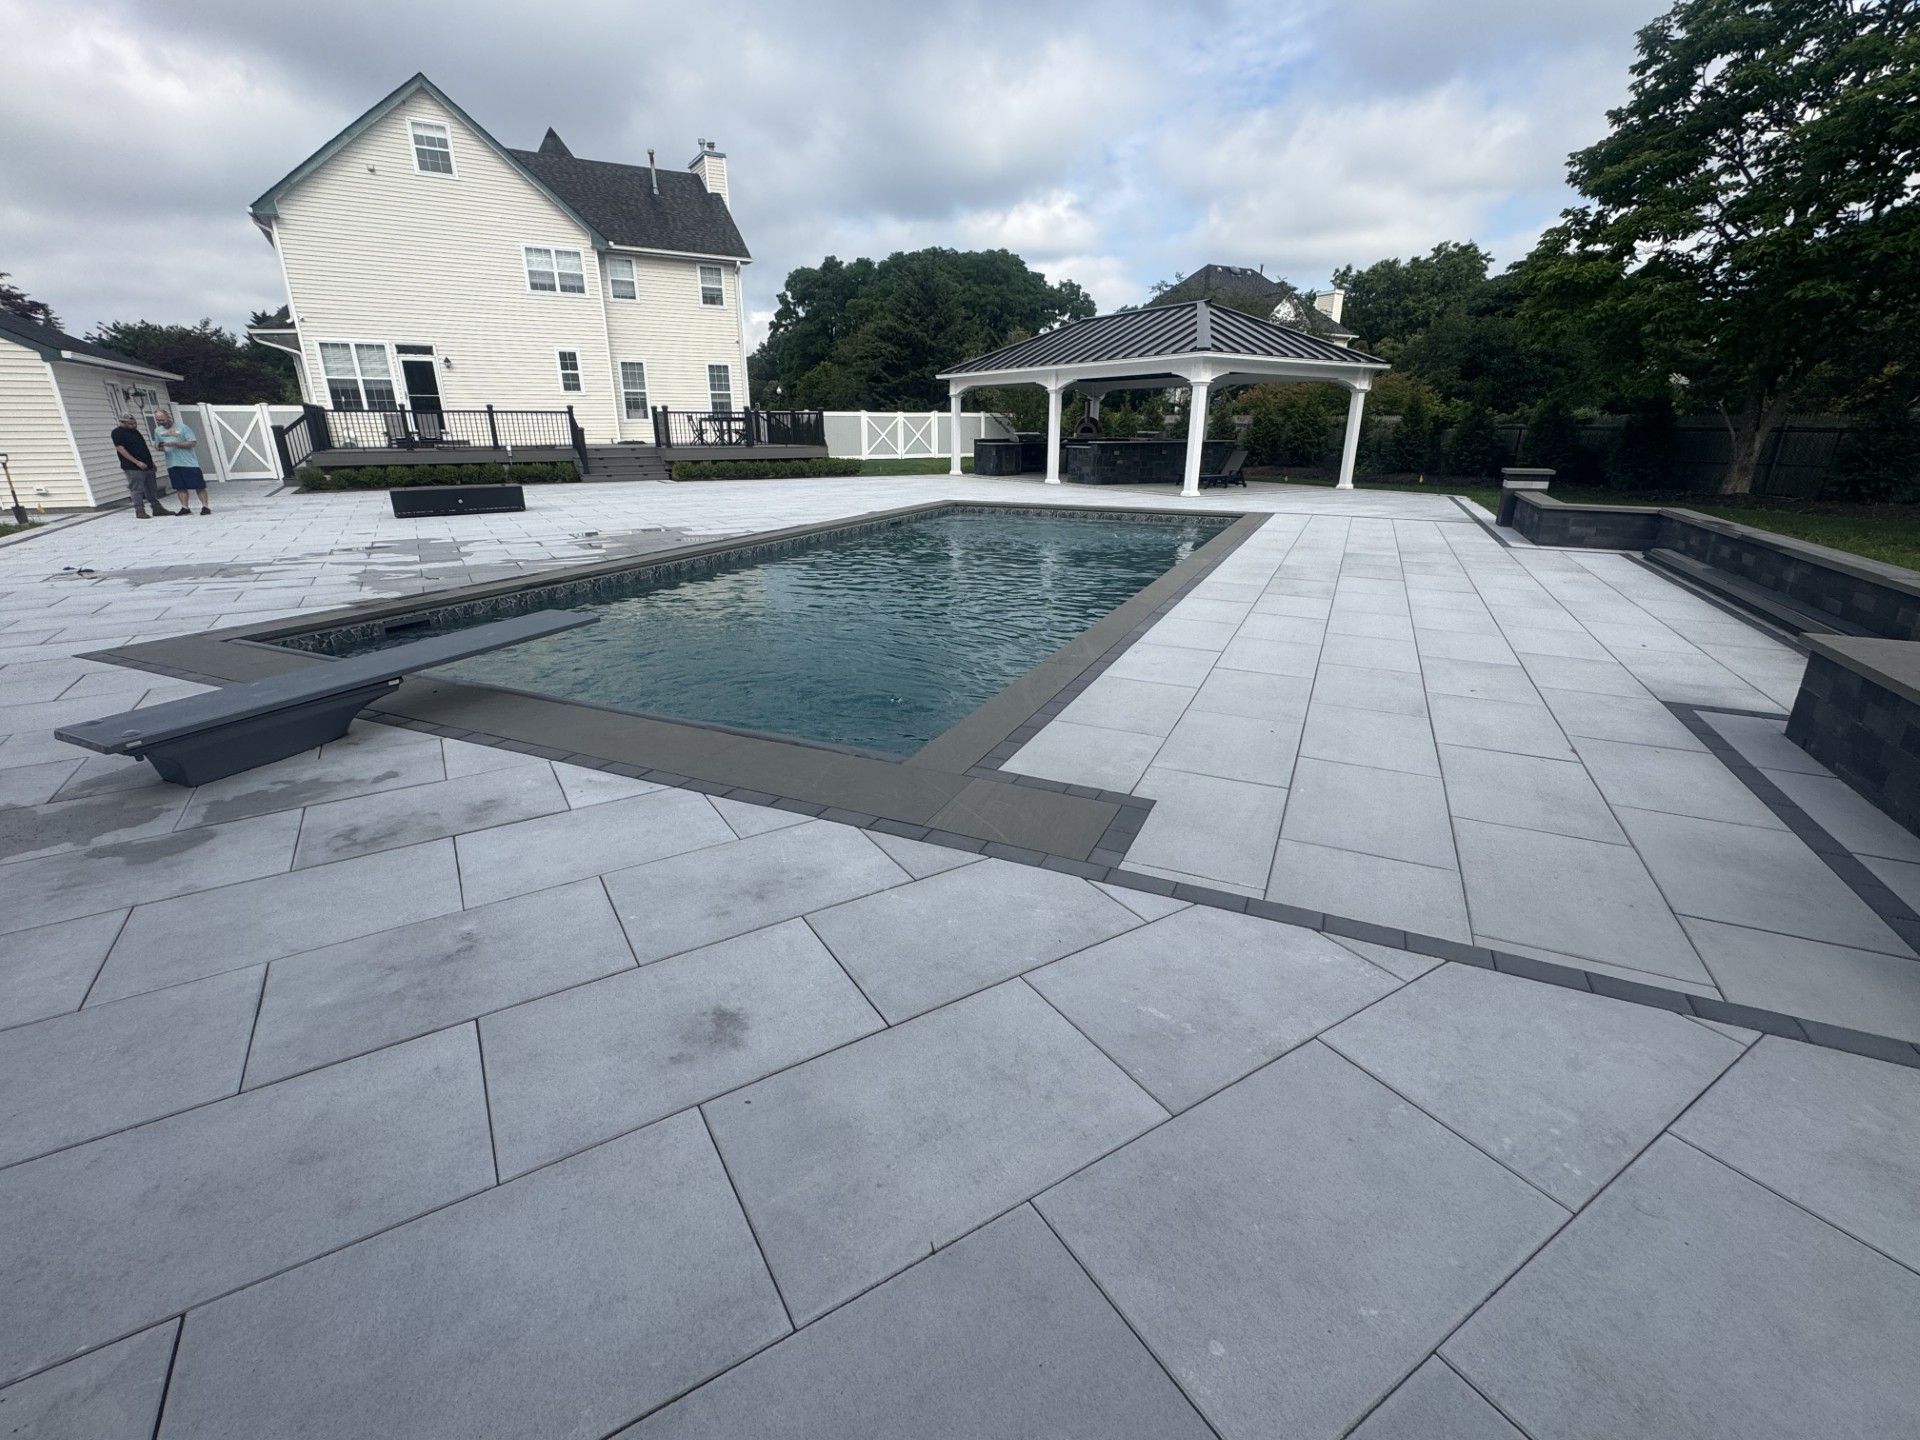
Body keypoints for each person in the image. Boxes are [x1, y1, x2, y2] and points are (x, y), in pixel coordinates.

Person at [111, 415, 178, 518]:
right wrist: (137, 462)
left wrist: (152, 463)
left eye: (134, 423)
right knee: (137, 489)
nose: (134, 426)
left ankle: (157, 508)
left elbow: (143, 448)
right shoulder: (117, 433)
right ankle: (140, 510)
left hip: (147, 464)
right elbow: (121, 449)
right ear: (123, 422)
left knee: (151, 488)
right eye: (131, 424)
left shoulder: (135, 432)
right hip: (132, 467)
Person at [152, 407, 211, 514]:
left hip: (189, 463)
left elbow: (192, 443)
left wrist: (174, 444)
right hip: (172, 463)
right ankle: (185, 507)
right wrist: (159, 447)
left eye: (162, 419)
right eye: (158, 420)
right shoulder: (158, 431)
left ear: (168, 417)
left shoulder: (182, 427)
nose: (160, 422)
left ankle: (205, 507)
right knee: (180, 487)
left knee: (199, 485)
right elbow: (157, 446)